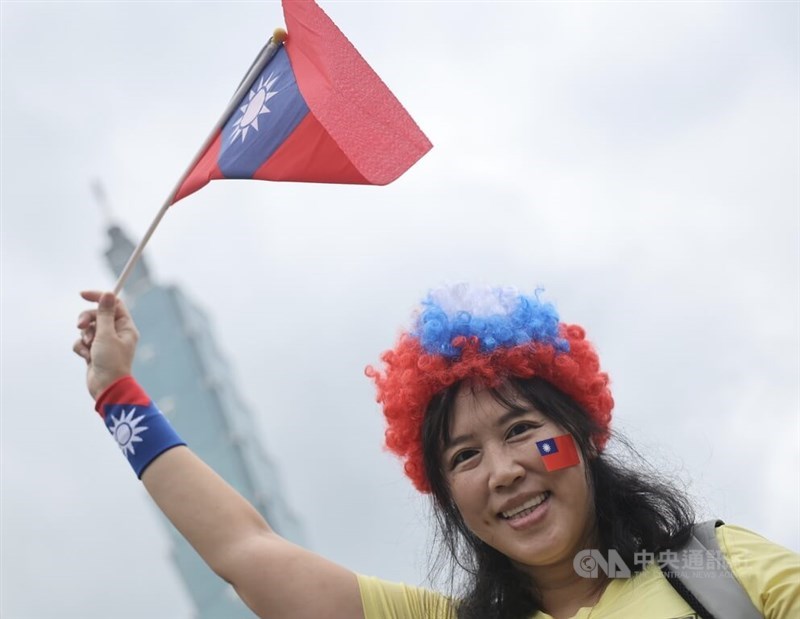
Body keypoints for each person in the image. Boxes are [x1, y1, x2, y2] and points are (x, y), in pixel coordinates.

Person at [74, 284, 799, 619]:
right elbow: (243, 549)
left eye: (522, 431)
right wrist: (114, 391)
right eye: (463, 457)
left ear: (580, 436)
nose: (504, 470)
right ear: (450, 496)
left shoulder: (712, 565)